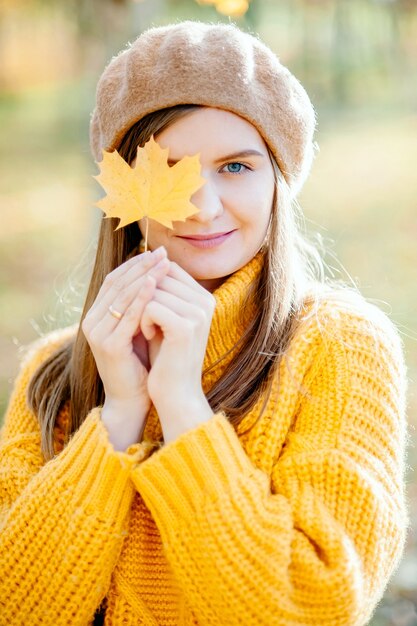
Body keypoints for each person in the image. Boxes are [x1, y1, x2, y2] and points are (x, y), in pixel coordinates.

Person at [0, 20, 410, 626]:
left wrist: (184, 407)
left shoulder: (340, 348)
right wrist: (119, 416)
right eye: (169, 170)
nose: (204, 205)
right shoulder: (53, 373)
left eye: (236, 167)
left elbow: (313, 606)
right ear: (124, 190)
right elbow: (16, 604)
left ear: (278, 182)